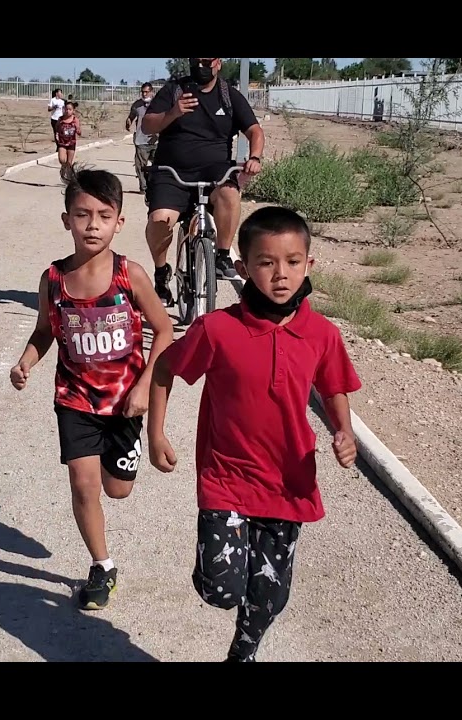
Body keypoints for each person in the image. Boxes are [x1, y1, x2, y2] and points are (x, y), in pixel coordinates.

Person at [145, 205, 362, 661]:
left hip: (289, 483)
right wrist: (156, 432)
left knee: (270, 598)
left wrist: (344, 432)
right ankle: (214, 570)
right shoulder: (217, 329)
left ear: (309, 264)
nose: (280, 275)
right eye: (266, 263)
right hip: (227, 478)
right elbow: (165, 367)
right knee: (221, 589)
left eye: (292, 262)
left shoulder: (321, 334)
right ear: (243, 268)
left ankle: (241, 655)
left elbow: (335, 387)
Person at [9, 168, 175, 611]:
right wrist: (27, 361)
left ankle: (119, 463)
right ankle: (102, 566)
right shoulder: (53, 279)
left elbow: (164, 331)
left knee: (117, 490)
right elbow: (45, 330)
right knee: (84, 487)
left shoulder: (131, 275)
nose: (93, 224)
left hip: (125, 404)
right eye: (82, 214)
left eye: (104, 215)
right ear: (67, 220)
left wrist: (143, 388)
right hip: (75, 400)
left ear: (119, 222)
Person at [140, 58, 266, 304]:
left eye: (206, 61)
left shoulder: (228, 96)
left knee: (230, 194)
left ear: (218, 63)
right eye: (195, 60)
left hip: (214, 172)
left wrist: (254, 157)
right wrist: (173, 112)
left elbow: (255, 131)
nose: (200, 65)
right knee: (159, 220)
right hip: (171, 172)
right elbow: (147, 125)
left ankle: (221, 257)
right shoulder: (175, 90)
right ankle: (160, 272)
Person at [125, 82, 158, 198]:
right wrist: (128, 121)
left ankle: (157, 186)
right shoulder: (137, 105)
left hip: (157, 141)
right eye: (143, 92)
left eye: (146, 92)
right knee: (140, 166)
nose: (144, 94)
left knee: (159, 165)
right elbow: (131, 116)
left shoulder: (159, 104)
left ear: (152, 92)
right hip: (141, 140)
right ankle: (143, 187)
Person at [54, 101, 81, 183]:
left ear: (73, 111)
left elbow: (79, 132)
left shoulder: (75, 120)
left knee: (69, 163)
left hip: (71, 143)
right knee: (62, 159)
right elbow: (57, 129)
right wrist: (56, 135)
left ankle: (69, 179)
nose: (67, 111)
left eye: (70, 109)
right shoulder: (61, 119)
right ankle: (63, 167)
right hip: (62, 143)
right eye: (66, 109)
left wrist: (78, 129)